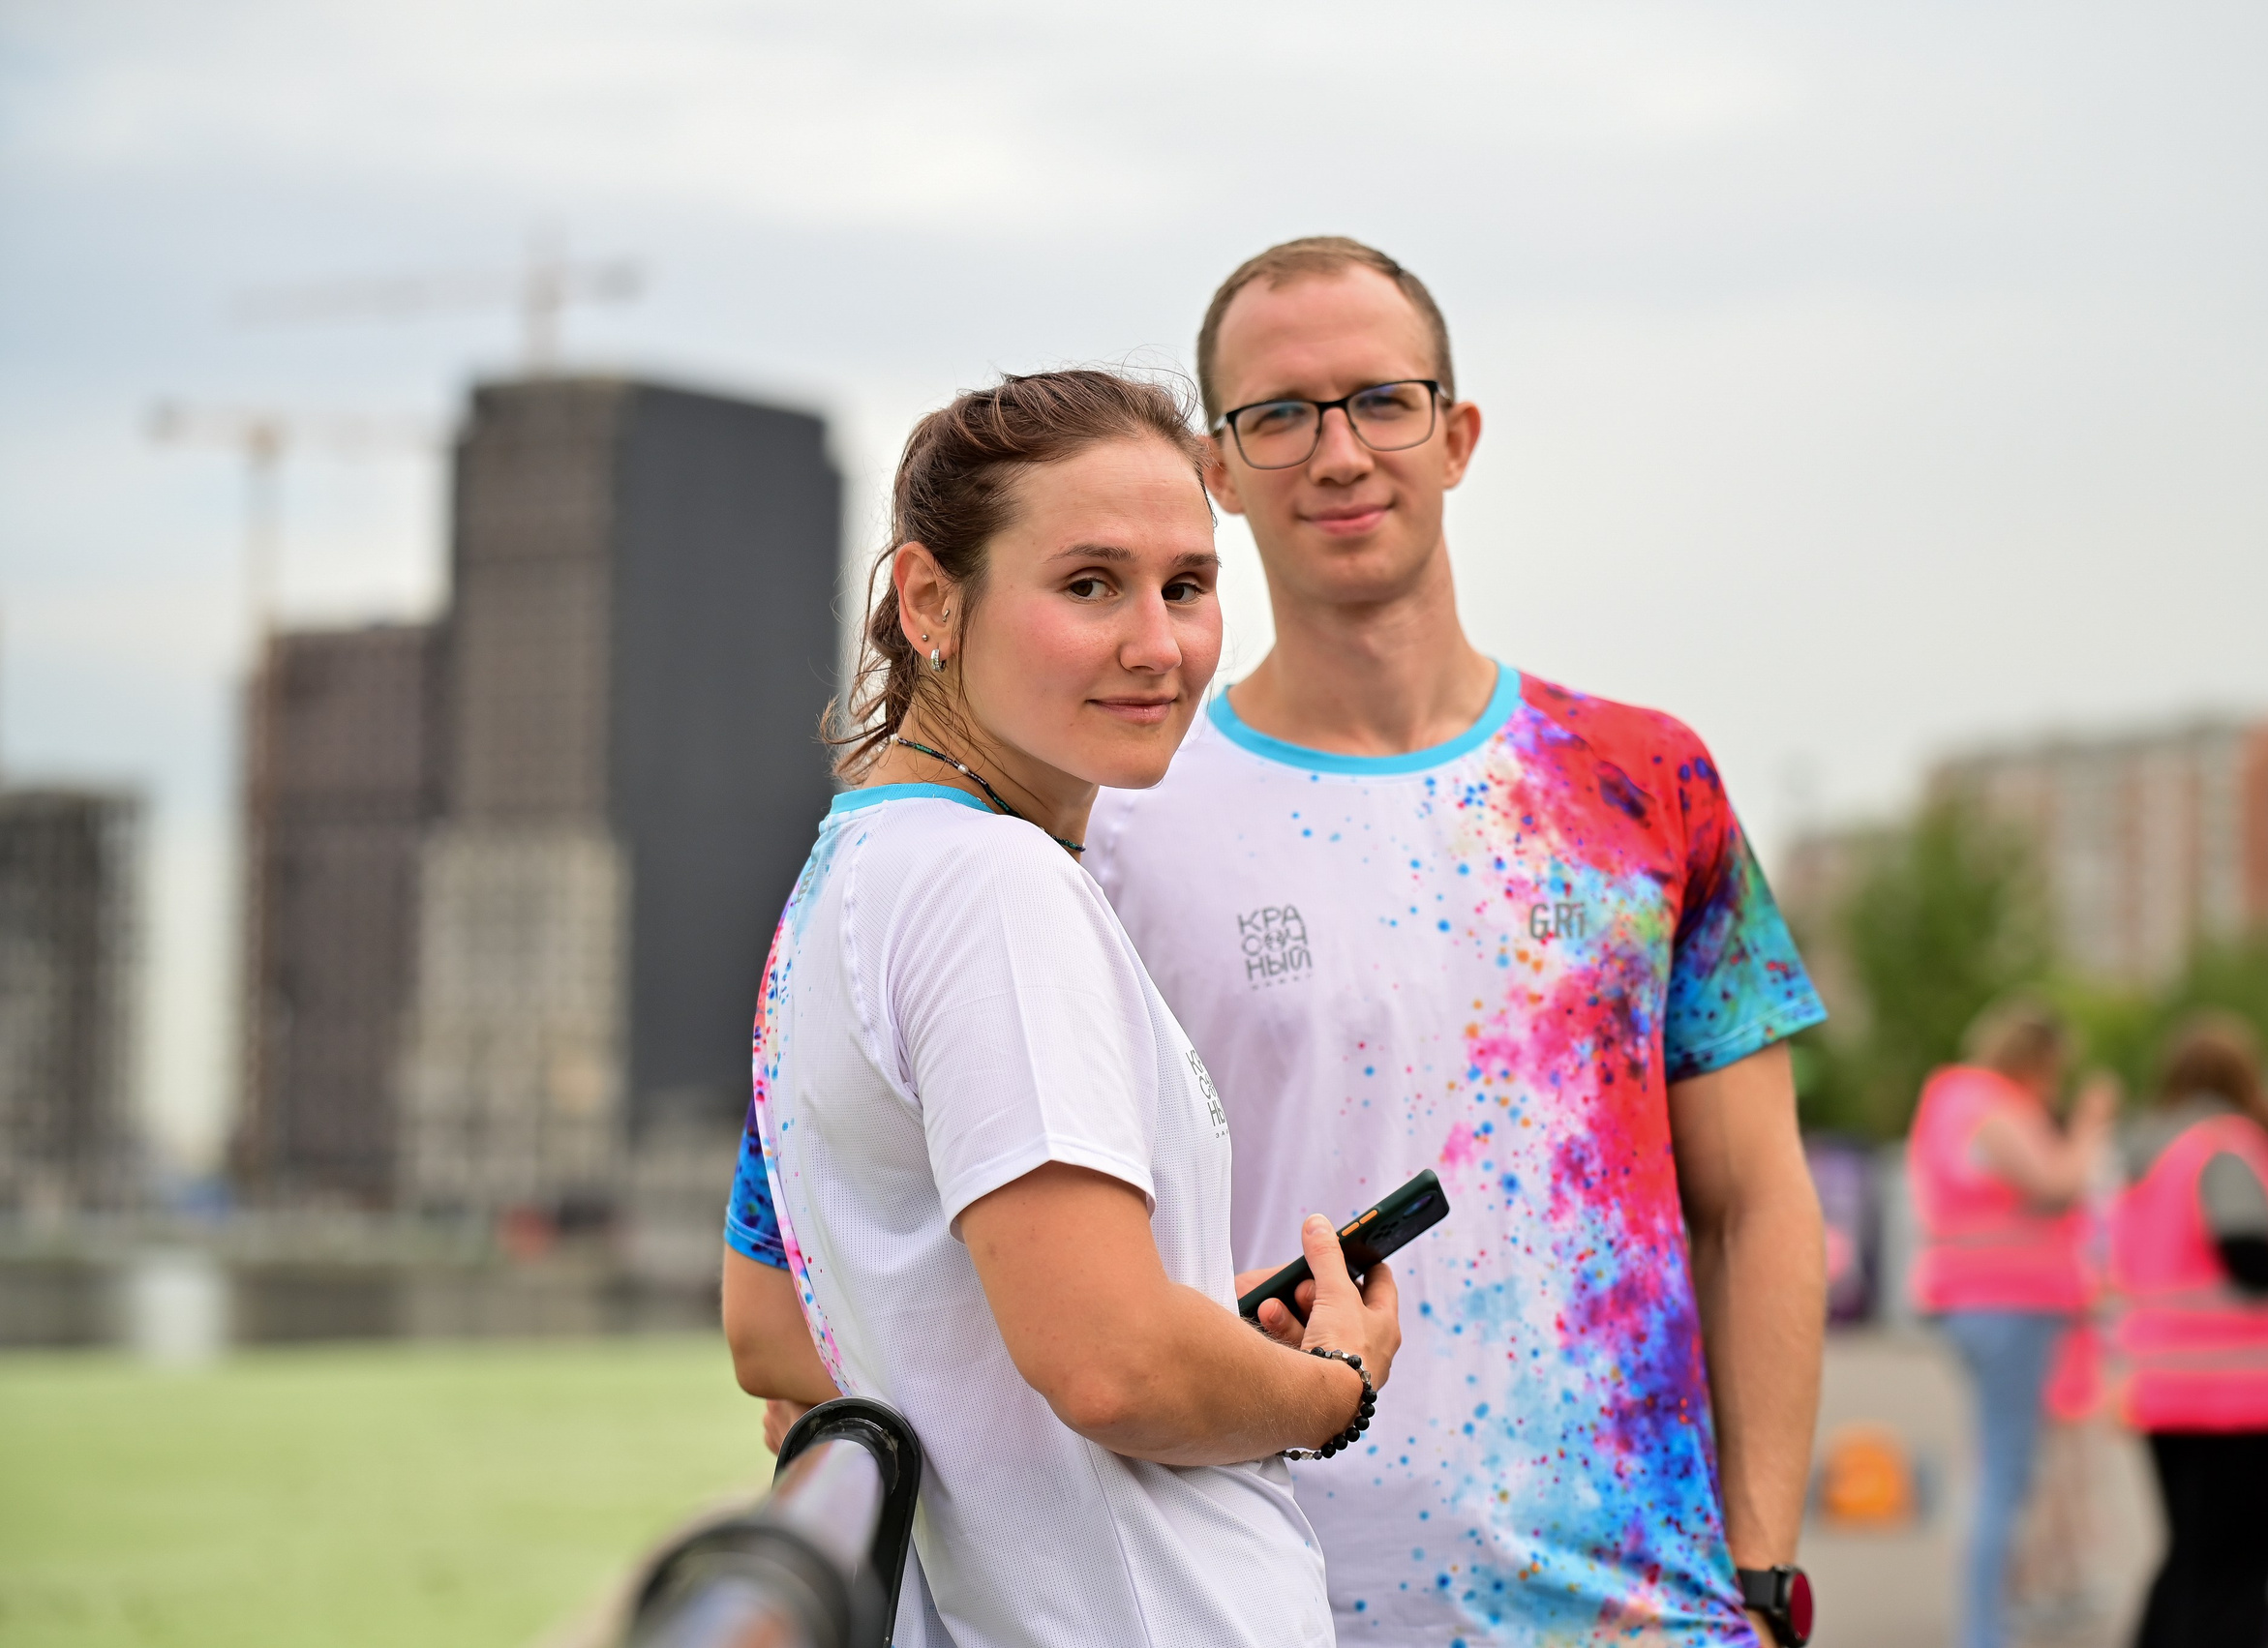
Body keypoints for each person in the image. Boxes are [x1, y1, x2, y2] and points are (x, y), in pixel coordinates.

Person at [729, 236, 1831, 1648]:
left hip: (1642, 1610)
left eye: (1382, 399)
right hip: (1281, 1581)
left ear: (1458, 432)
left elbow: (1756, 1200)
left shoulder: (1643, 777)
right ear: (1221, 460)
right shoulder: (1080, 822)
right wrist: (1123, 1382)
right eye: (1278, 414)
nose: (1338, 450)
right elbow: (802, 1276)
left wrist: (1761, 1570)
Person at [733, 368, 1405, 1648]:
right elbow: (1110, 1364)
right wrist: (1329, 1386)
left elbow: (771, 1320)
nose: (1157, 643)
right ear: (931, 597)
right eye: (1089, 584)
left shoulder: (845, 877)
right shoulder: (997, 887)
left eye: (1187, 586)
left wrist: (1187, 1326)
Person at [2116, 1014, 2268, 1648]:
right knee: (2236, 1582)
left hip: (2172, 1390)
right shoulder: (2225, 1146)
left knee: (2190, 1565)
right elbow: (2252, 1259)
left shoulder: (2150, 1155)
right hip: (2256, 1399)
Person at [1906, 998, 2116, 1648]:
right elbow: (2059, 1181)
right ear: (2035, 1061)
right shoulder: (1990, 1105)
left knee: (1995, 1466)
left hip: (1973, 1300)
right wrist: (2089, 1124)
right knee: (2003, 1473)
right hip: (2010, 1302)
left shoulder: (1950, 1102)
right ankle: (1983, 1628)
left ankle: (1992, 1614)